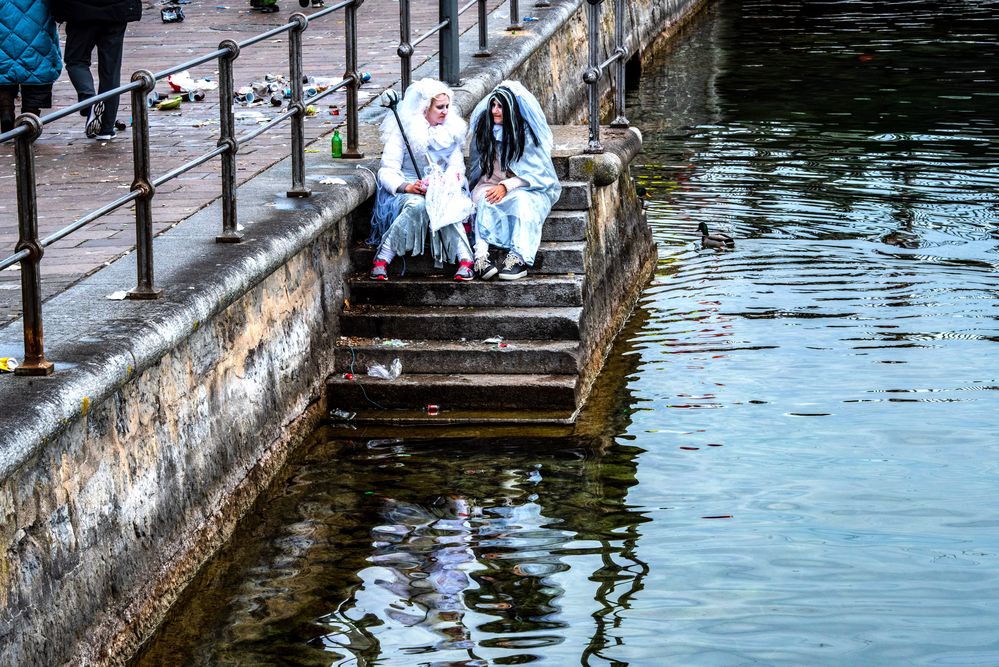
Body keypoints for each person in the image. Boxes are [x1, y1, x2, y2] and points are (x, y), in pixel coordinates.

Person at [369, 78, 474, 282]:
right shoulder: (405, 132)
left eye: (447, 106)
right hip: (408, 187)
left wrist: (445, 184)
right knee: (418, 206)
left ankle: (465, 259)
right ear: (426, 108)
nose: (445, 111)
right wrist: (407, 186)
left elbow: (456, 167)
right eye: (439, 107)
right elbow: (387, 170)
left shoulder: (450, 131)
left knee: (443, 205)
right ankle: (382, 258)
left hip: (443, 186)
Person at [468, 81, 560, 281]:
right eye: (492, 105)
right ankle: (481, 256)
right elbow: (478, 169)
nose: (494, 111)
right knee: (484, 200)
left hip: (524, 187)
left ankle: (517, 258)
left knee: (522, 204)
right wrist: (494, 185)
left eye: (500, 106)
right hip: (489, 182)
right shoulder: (486, 129)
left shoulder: (525, 134)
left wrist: (506, 185)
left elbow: (538, 174)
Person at [51, 0, 141, 140]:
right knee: (111, 70)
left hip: (80, 11)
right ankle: (106, 128)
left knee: (76, 61)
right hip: (115, 11)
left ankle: (89, 98)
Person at [0, 0, 63, 134]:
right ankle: (29, 121)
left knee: (3, 75)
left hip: (3, 34)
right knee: (37, 77)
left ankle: (5, 110)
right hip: (37, 31)